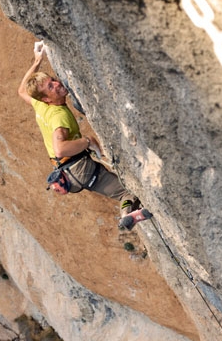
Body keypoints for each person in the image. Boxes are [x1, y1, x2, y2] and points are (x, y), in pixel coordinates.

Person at [18, 42, 151, 226]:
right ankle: (127, 214)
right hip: (80, 169)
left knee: (122, 193)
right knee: (125, 193)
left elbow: (22, 90)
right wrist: (87, 141)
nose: (57, 84)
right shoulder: (59, 116)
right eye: (50, 87)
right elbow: (60, 149)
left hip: (71, 174)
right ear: (48, 99)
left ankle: (128, 215)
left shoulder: (41, 104)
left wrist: (37, 60)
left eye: (53, 80)